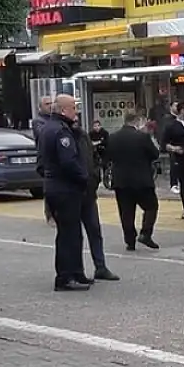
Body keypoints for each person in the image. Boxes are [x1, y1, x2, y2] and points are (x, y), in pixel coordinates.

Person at [37, 94, 117, 291]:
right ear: (63, 110)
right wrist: (84, 178)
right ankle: (66, 277)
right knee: (68, 235)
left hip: (61, 187)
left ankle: (77, 273)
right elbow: (68, 162)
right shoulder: (60, 131)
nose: (76, 110)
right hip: (65, 189)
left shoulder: (53, 128)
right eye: (73, 107)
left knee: (73, 234)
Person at [105, 112, 162, 251]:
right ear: (136, 122)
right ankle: (145, 233)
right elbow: (155, 154)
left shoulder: (113, 137)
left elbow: (107, 157)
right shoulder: (142, 137)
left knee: (126, 212)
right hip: (142, 179)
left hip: (121, 181)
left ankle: (130, 241)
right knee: (151, 207)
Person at [33, 97, 57, 226]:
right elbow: (44, 134)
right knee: (49, 187)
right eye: (47, 104)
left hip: (56, 157)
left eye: (51, 103)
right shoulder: (38, 121)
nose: (50, 106)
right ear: (40, 107)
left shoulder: (54, 119)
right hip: (46, 159)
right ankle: (50, 215)